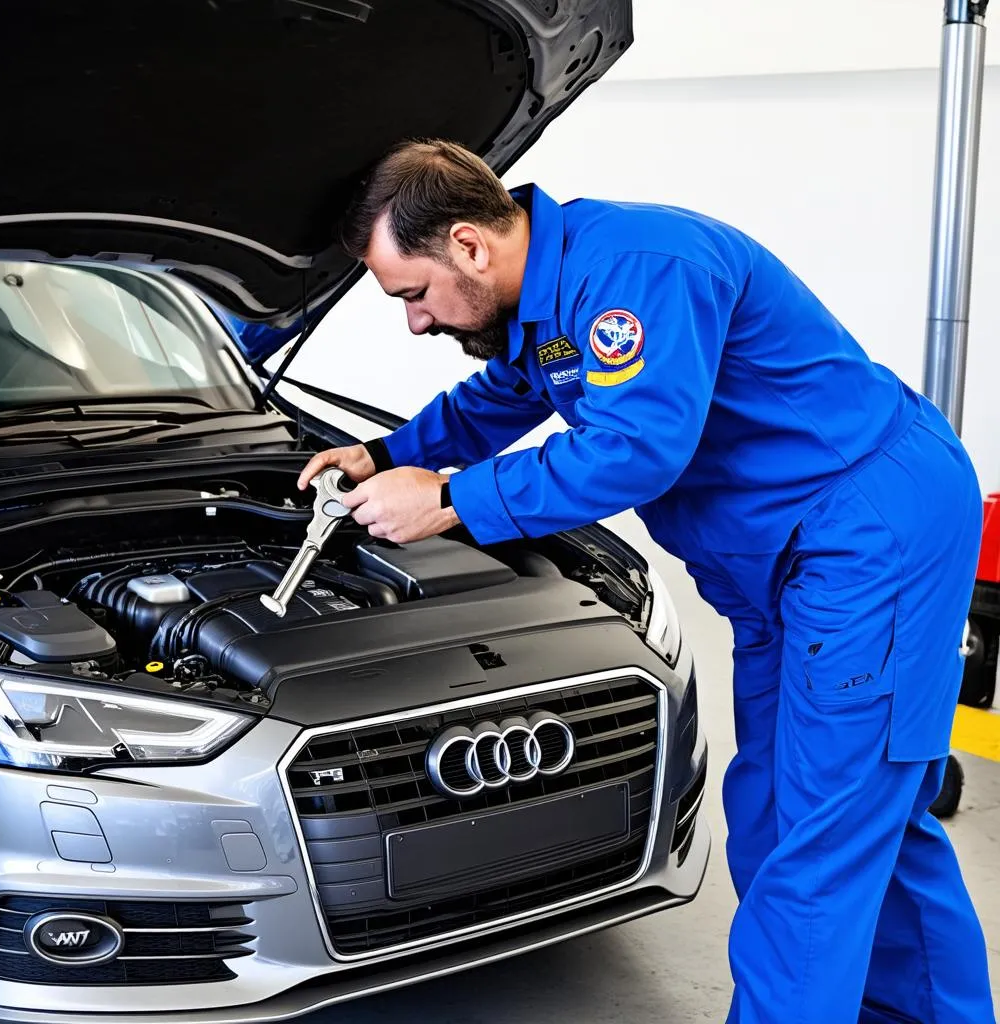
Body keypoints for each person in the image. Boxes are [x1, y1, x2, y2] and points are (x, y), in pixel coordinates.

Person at [296, 139, 994, 1024]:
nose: (417, 323)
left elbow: (635, 450)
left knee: (819, 841)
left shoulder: (636, 271)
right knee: (806, 812)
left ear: (468, 245)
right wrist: (389, 455)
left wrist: (450, 501)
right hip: (793, 556)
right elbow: (505, 398)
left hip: (869, 530)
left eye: (412, 294)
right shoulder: (547, 299)